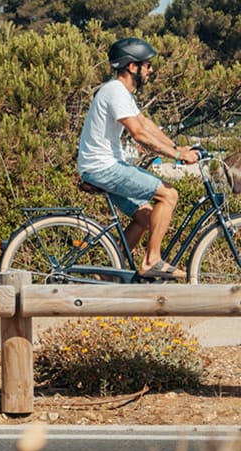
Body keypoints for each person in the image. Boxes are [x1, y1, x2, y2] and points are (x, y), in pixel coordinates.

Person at [77, 37, 200, 280]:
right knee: (169, 194)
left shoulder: (121, 93)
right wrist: (176, 155)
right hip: (104, 167)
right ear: (132, 67)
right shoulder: (114, 91)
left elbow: (146, 124)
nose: (150, 70)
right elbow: (139, 133)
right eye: (147, 65)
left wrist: (176, 147)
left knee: (146, 217)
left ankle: (112, 271)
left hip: (105, 166)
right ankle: (151, 260)